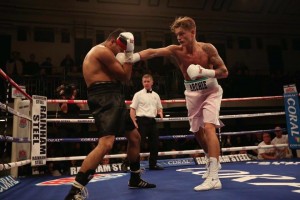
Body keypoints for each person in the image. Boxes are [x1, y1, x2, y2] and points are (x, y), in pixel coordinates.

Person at [137, 16, 229, 191]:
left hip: (211, 90)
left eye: (182, 34)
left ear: (193, 32)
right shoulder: (176, 50)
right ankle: (210, 158)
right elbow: (153, 52)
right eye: (177, 35)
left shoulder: (208, 49)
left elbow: (224, 72)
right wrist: (133, 57)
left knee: (209, 126)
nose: (178, 37)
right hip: (192, 93)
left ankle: (215, 176)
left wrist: (203, 71)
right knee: (196, 130)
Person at [64, 29, 155, 200]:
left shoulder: (107, 53)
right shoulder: (102, 51)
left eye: (123, 50)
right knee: (106, 144)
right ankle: (74, 191)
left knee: (135, 137)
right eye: (119, 49)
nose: (120, 53)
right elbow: (125, 76)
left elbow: (140, 59)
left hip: (114, 96)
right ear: (113, 41)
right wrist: (129, 54)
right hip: (104, 97)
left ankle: (135, 179)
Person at [130, 73, 164, 170]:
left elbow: (159, 108)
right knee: (138, 144)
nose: (146, 83)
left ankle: (152, 164)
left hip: (152, 121)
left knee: (155, 143)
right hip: (141, 121)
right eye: (144, 81)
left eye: (148, 81)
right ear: (142, 82)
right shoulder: (138, 94)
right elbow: (132, 109)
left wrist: (160, 113)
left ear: (152, 82)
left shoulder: (156, 95)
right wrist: (134, 122)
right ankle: (128, 163)